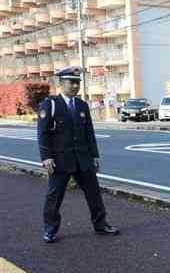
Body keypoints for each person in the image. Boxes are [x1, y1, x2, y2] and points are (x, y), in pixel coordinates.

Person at [37, 66, 119, 243]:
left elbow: (89, 133)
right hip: (59, 160)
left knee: (94, 194)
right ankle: (50, 229)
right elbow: (42, 133)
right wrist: (46, 157)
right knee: (54, 196)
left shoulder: (82, 105)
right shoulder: (50, 104)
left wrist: (95, 156)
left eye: (77, 83)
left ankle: (100, 224)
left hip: (83, 159)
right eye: (71, 82)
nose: (75, 86)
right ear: (61, 83)